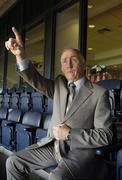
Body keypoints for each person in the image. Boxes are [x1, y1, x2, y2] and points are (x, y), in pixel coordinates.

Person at [4, 27, 113, 180]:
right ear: (61, 67)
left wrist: (69, 133)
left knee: (56, 178)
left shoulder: (99, 93)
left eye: (73, 60)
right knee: (13, 162)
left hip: (78, 152)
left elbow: (105, 136)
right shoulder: (58, 85)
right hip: (52, 147)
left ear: (83, 64)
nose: (68, 64)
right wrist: (21, 56)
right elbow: (35, 79)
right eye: (64, 61)